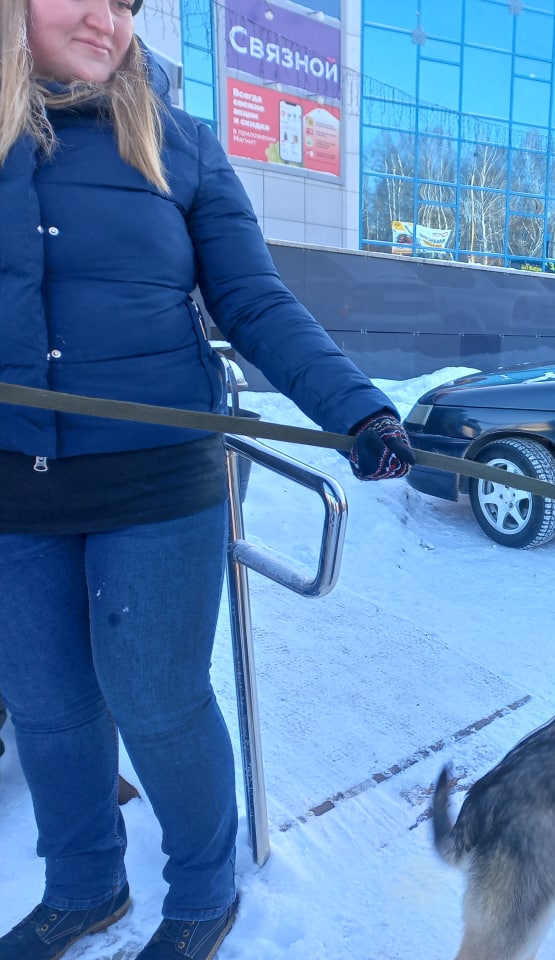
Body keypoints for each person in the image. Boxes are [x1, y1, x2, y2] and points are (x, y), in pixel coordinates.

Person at [0, 2, 416, 958]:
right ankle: (84, 885)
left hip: (156, 485)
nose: (105, 19)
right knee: (47, 705)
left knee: (155, 696)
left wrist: (355, 407)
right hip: (13, 485)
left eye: (126, 3)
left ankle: (200, 890)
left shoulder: (181, 146)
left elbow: (254, 297)